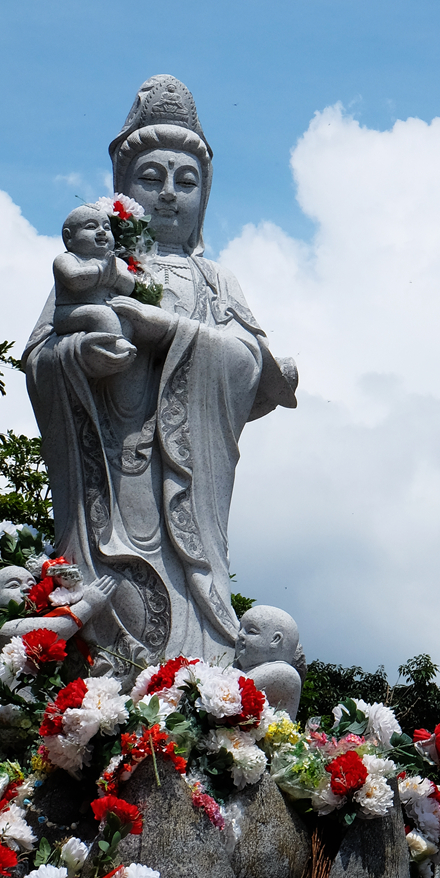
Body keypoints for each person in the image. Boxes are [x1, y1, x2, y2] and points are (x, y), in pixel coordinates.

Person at [22, 75, 297, 670]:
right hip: (107, 491)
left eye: (186, 181)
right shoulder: (92, 268)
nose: (169, 193)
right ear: (122, 191)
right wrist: (79, 359)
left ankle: (195, 704)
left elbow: (249, 366)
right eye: (151, 178)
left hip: (189, 501)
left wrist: (167, 330)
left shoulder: (215, 281)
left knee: (194, 640)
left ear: (206, 196)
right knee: (102, 617)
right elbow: (39, 360)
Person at [52, 204, 137, 350]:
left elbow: (129, 286)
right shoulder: (67, 259)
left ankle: (121, 346)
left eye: (106, 227)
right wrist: (101, 271)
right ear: (69, 236)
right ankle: (108, 347)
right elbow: (73, 279)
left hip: (107, 309)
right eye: (91, 227)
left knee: (127, 318)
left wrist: (116, 276)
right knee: (101, 314)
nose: (102, 232)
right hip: (70, 313)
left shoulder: (115, 262)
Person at [233, 605, 305, 720]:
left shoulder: (284, 673)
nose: (240, 635)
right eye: (240, 629)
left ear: (275, 640)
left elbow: (229, 693)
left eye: (251, 631)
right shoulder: (246, 669)